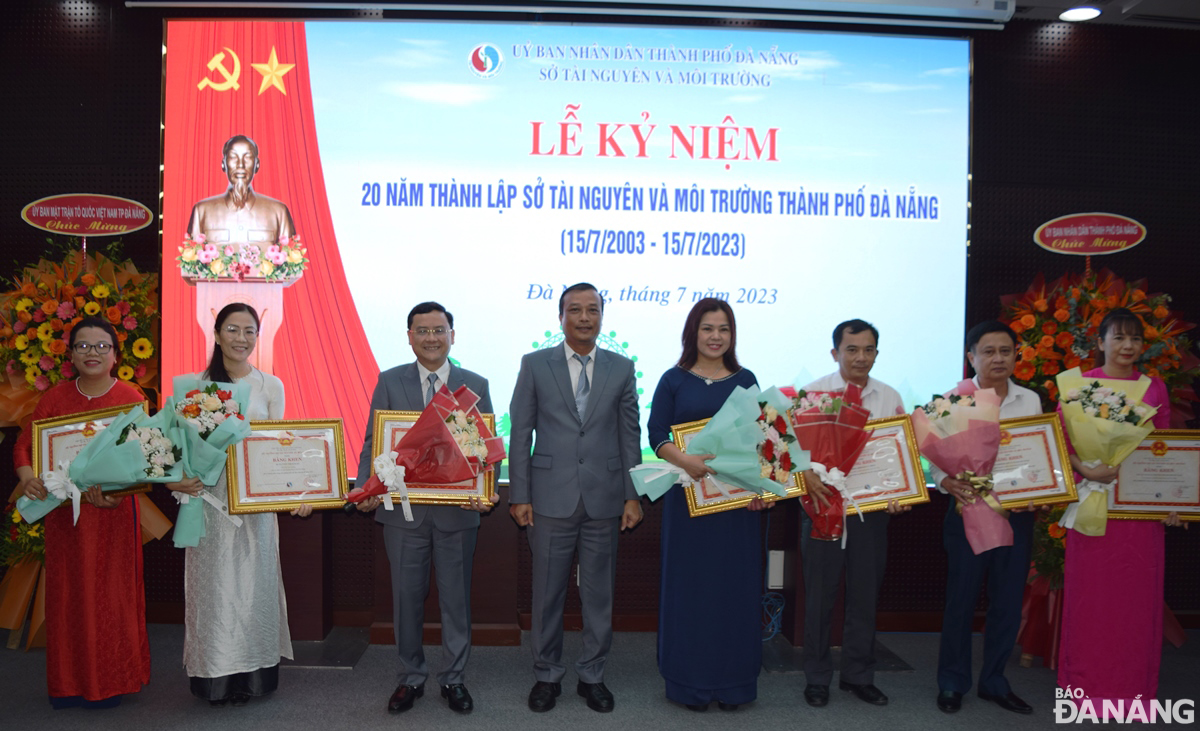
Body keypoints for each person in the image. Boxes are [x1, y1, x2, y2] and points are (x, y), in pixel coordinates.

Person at [353, 302, 498, 715]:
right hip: (402, 511)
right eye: (422, 330)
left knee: (456, 599)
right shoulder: (389, 381)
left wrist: (485, 488)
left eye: (439, 330)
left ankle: (453, 678)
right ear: (409, 336)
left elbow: (484, 449)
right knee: (407, 598)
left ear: (453, 334)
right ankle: (411, 677)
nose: (431, 337)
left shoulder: (475, 384)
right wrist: (367, 486)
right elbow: (372, 441)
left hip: (456, 511)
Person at [508, 282, 643, 713]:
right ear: (560, 316)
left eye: (593, 310)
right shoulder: (535, 364)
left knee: (598, 593)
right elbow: (520, 433)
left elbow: (629, 436)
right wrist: (520, 493)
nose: (585, 317)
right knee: (547, 592)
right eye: (575, 310)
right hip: (549, 498)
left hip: (605, 500)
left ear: (603, 316)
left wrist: (631, 495)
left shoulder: (621, 368)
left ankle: (592, 675)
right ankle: (546, 674)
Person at [168, 303, 310, 707]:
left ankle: (253, 675)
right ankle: (213, 676)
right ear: (216, 334)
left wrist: (296, 493)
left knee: (255, 586)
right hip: (210, 500)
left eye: (249, 331)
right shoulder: (193, 386)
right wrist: (179, 477)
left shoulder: (271, 386)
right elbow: (176, 448)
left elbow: (279, 445)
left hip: (257, 503)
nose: (241, 339)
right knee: (213, 590)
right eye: (232, 329)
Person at [14, 316, 151, 708]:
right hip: (65, 518)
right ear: (70, 354)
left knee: (112, 596)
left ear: (115, 354)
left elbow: (144, 462)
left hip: (112, 515)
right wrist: (28, 479)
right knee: (69, 596)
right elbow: (25, 446)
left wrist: (117, 494)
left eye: (101, 346)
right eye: (83, 346)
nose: (93, 353)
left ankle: (112, 681)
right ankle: (69, 683)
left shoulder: (131, 398)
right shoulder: (55, 398)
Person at [647, 298, 768, 712]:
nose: (716, 337)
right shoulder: (673, 380)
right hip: (689, 505)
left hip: (738, 509)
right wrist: (685, 461)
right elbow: (656, 433)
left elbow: (762, 442)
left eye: (724, 329)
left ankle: (734, 683)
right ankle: (689, 683)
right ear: (692, 334)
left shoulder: (746, 378)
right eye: (707, 329)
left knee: (735, 589)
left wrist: (760, 491)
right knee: (691, 590)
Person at [1057, 308, 1181, 711]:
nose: (1128, 347)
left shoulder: (1154, 387)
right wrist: (1086, 467)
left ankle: (1132, 691)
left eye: (1136, 340)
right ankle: (1082, 688)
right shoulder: (1081, 384)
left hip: (1137, 512)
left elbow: (1164, 450)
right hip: (1092, 501)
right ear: (1100, 342)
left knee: (1135, 602)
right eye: (1119, 338)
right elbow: (1062, 439)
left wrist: (1171, 502)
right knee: (1089, 601)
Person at [932, 321, 1042, 715]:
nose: (998, 358)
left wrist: (1041, 490)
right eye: (989, 351)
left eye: (1006, 351)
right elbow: (930, 458)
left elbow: (1039, 455)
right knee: (960, 601)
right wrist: (945, 479)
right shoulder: (952, 399)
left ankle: (994, 680)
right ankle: (952, 682)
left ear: (1016, 355)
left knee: (1008, 602)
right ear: (971, 357)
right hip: (966, 511)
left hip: (1015, 516)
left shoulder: (1030, 401)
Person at [800, 318, 907, 708]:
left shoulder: (889, 396)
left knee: (864, 594)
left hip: (870, 511)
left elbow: (898, 457)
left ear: (876, 353)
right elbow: (794, 453)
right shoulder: (814, 394)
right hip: (823, 509)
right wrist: (805, 475)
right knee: (820, 597)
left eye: (868, 350)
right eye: (852, 350)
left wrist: (900, 491)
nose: (860, 358)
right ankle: (816, 676)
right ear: (835, 353)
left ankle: (858, 675)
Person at [187, 134, 295, 251]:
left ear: (257, 165)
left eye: (247, 157)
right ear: (223, 164)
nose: (240, 165)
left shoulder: (279, 212)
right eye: (233, 157)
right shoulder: (202, 211)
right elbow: (190, 265)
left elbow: (292, 265)